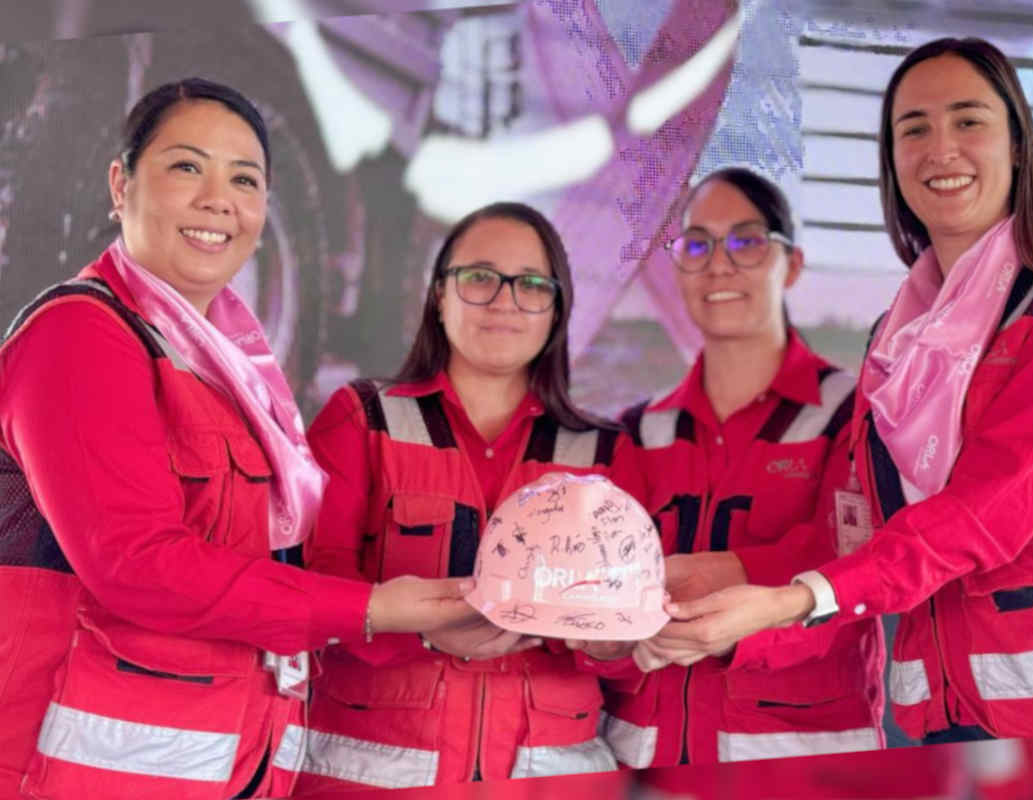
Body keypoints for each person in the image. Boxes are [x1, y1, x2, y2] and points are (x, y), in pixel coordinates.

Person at [639, 37, 1033, 745]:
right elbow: (860, 526)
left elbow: (982, 516)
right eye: (913, 128)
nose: (939, 148)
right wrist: (718, 574)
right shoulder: (898, 336)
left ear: (1019, 145)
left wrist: (790, 600)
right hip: (942, 713)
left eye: (968, 121)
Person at [0, 78, 477, 800]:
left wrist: (428, 621)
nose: (218, 199)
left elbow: (262, 570)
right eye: (186, 167)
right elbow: (136, 563)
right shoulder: (80, 336)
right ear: (120, 186)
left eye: (245, 179)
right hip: (75, 770)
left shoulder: (233, 373)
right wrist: (378, 608)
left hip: (214, 764)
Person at [295, 202, 631, 791]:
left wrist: (605, 643)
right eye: (479, 278)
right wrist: (419, 629)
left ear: (557, 309)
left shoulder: (606, 454)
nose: (505, 301)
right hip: (371, 777)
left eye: (531, 284)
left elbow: (635, 635)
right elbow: (310, 591)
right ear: (439, 295)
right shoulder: (362, 420)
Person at [576, 167, 887, 771]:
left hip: (798, 766)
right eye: (697, 244)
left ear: (791, 265)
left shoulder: (855, 413)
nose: (719, 264)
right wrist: (602, 644)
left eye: (745, 241)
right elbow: (600, 603)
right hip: (643, 760)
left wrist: (732, 577)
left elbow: (863, 571)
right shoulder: (637, 432)